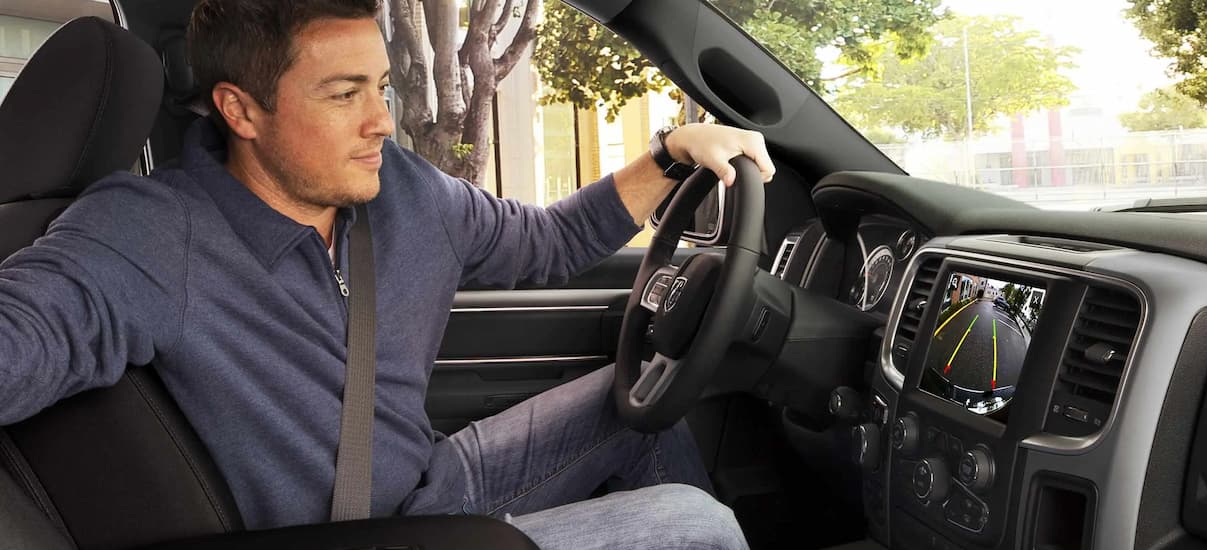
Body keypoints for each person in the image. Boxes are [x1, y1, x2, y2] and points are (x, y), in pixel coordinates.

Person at [0, 1, 776, 548]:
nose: (382, 120)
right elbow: (23, 335)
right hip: (360, 536)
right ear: (240, 110)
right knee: (693, 525)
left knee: (644, 404)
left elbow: (550, 241)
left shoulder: (401, 190)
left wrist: (672, 153)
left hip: (433, 481)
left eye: (383, 88)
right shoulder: (145, 232)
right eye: (344, 94)